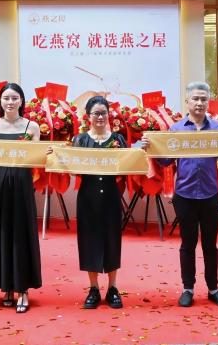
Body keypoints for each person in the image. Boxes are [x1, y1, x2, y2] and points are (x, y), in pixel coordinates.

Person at [140, 81, 218, 308]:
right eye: (195, 99)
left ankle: (213, 289)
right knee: (187, 244)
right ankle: (188, 288)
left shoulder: (217, 129)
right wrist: (151, 147)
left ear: (208, 102)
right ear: (187, 101)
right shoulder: (176, 130)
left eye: (203, 99)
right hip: (185, 195)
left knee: (210, 245)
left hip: (210, 194)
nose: (199, 103)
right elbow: (166, 161)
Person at [0, 82, 42, 313]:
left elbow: (36, 159)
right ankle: (6, 286)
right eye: (6, 98)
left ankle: (22, 289)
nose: (10, 102)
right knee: (0, 232)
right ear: (0, 101)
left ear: (21, 101)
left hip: (22, 184)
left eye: (14, 98)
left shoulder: (32, 127)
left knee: (21, 233)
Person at [70, 96, 128, 309]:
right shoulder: (80, 140)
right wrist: (55, 155)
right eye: (96, 113)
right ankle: (93, 288)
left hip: (111, 196)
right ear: (88, 116)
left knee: (112, 239)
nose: (101, 117)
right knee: (89, 240)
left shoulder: (118, 139)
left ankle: (112, 288)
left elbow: (128, 164)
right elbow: (73, 168)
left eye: (104, 112)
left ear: (109, 115)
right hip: (88, 197)